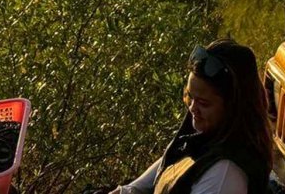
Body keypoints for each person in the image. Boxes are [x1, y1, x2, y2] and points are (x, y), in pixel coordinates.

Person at [112, 39, 272, 194]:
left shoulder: (224, 176)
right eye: (190, 96)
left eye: (204, 103)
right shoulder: (202, 138)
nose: (192, 108)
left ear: (233, 108)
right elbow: (145, 183)